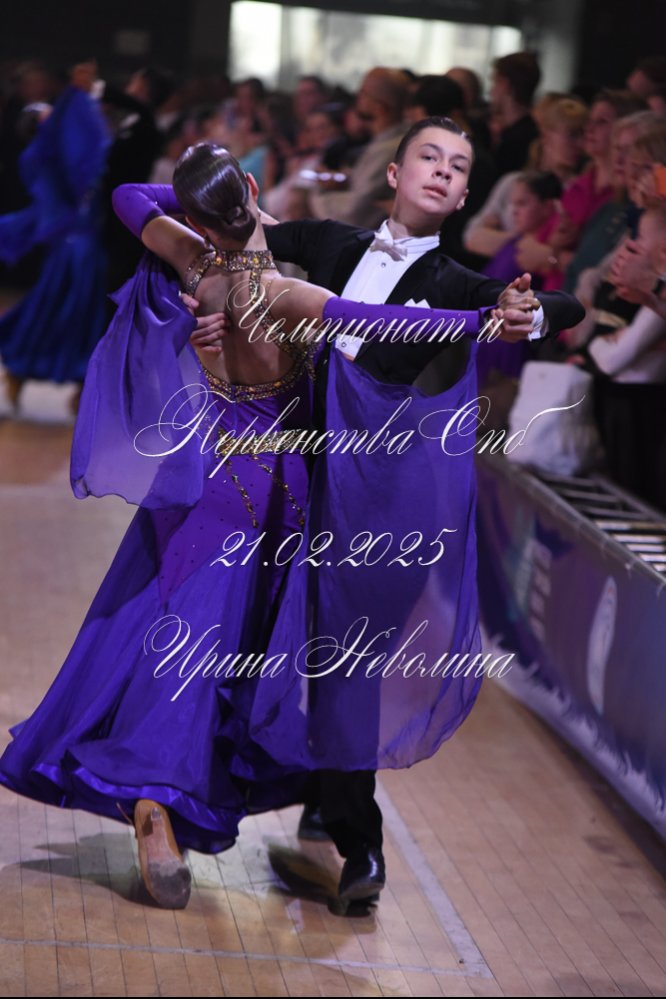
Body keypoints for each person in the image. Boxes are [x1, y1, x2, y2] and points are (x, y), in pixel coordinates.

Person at [0, 140, 516, 912]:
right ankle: (173, 804)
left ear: (201, 216)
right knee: (232, 656)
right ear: (250, 186)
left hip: (205, 481)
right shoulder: (280, 289)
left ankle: (157, 805)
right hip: (278, 494)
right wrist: (483, 318)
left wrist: (196, 212)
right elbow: (382, 322)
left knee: (167, 640)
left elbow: (129, 196)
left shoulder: (191, 259)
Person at [258, 115, 585, 902]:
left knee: (348, 660)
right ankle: (308, 795)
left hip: (378, 503)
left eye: (457, 166)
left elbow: (567, 304)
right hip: (294, 477)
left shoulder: (456, 283)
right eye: (429, 157)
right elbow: (254, 236)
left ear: (466, 194)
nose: (442, 171)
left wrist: (531, 312)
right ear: (395, 174)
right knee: (269, 634)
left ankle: (361, 848)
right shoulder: (332, 243)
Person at [0, 62, 110, 412]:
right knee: (60, 313)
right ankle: (23, 368)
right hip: (75, 248)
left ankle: (79, 383)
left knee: (80, 316)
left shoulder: (63, 149)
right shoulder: (45, 156)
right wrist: (78, 93)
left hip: (86, 244)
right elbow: (73, 128)